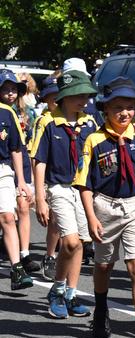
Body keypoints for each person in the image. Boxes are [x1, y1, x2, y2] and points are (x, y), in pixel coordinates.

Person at [73, 76, 135, 338]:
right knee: (103, 265)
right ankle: (101, 310)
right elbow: (84, 183)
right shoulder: (94, 140)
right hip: (104, 207)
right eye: (117, 108)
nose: (124, 113)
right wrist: (90, 218)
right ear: (105, 111)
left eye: (129, 107)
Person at [31, 69, 98, 319]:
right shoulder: (49, 122)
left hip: (82, 189)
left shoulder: (89, 122)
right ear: (64, 97)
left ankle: (71, 293)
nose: (83, 100)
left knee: (80, 242)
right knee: (68, 241)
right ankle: (56, 290)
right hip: (58, 187)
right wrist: (40, 198)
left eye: (86, 95)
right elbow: (39, 161)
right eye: (77, 95)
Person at [0, 70, 39, 274]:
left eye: (14, 89)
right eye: (5, 89)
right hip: (8, 163)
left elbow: (20, 146)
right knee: (6, 214)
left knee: (17, 210)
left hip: (14, 165)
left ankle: (22, 259)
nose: (10, 93)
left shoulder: (20, 113)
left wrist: (23, 178)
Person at [31, 73, 60, 280]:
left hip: (71, 176)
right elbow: (36, 154)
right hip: (50, 175)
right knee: (55, 220)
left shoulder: (79, 119)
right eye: (53, 98)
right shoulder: (44, 121)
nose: (57, 101)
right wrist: (37, 189)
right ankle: (50, 255)